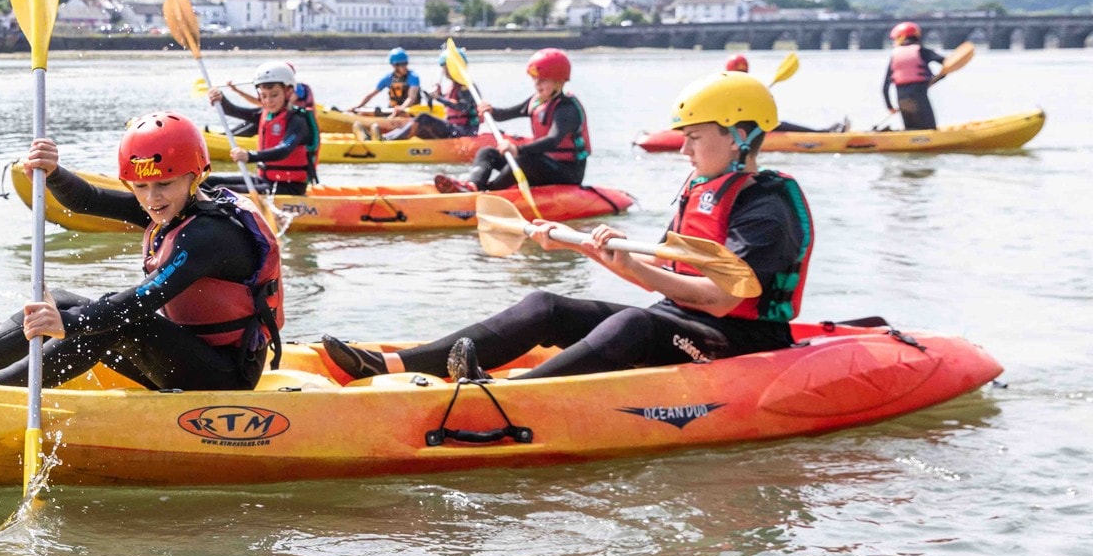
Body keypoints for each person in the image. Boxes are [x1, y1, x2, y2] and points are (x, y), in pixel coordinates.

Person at [322, 72, 813, 384]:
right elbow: (665, 278)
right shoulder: (700, 187)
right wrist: (597, 254)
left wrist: (626, 265)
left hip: (740, 340)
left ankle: (507, 396)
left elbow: (724, 298)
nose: (684, 150)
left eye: (695, 138)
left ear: (741, 137)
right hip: (683, 319)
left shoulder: (766, 203)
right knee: (546, 306)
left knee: (635, 323)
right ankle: (392, 365)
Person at [0, 114, 282, 390]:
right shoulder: (170, 209)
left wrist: (66, 324)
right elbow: (87, 200)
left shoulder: (209, 234)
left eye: (164, 184)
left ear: (196, 176)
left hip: (223, 378)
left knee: (111, 321)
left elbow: (142, 300)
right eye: (140, 186)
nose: (151, 198)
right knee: (63, 300)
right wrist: (53, 170)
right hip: (186, 355)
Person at [432, 48, 588, 193]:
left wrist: (517, 149)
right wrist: (491, 111)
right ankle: (473, 185)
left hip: (567, 172)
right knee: (488, 152)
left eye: (543, 80)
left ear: (559, 82)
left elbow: (553, 140)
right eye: (535, 79)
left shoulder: (567, 109)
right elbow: (505, 114)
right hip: (544, 164)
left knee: (523, 160)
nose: (537, 84)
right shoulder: (536, 101)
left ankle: (490, 192)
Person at [205, 62, 319, 196]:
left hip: (289, 188)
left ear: (288, 92)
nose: (268, 101)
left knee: (220, 190)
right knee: (207, 181)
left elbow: (285, 149)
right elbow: (233, 110)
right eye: (264, 96)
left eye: (274, 95)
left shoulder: (298, 120)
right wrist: (221, 99)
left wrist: (250, 156)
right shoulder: (265, 115)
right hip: (265, 181)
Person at [722, 54, 843, 135]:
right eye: (738, 72)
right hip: (739, 129)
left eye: (743, 72)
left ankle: (820, 132)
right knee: (777, 125)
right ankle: (821, 133)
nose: (741, 74)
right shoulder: (724, 86)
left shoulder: (746, 86)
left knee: (777, 123)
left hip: (751, 125)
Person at [883, 22, 947, 130]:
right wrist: (938, 77)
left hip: (902, 99)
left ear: (901, 37)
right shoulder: (922, 51)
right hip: (918, 97)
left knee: (911, 129)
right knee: (929, 129)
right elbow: (947, 63)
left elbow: (885, 86)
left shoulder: (895, 55)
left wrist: (890, 106)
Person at [390, 77, 480, 141]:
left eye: (445, 67)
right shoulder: (453, 86)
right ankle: (386, 137)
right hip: (453, 127)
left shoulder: (466, 87)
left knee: (423, 117)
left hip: (462, 131)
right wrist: (439, 95)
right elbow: (450, 105)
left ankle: (390, 140)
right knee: (417, 126)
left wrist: (438, 98)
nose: (445, 71)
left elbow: (462, 107)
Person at [352, 47, 422, 113]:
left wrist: (402, 107)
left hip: (408, 111)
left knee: (400, 113)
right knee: (362, 113)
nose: (404, 67)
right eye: (401, 64)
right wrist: (358, 106)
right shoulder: (388, 78)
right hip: (392, 110)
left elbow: (411, 98)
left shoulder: (413, 77)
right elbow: (370, 95)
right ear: (394, 65)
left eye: (405, 63)